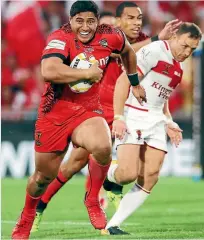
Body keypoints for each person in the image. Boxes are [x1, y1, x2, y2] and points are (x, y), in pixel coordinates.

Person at [31, 1, 181, 233]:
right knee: (74, 164)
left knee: (136, 166)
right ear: (118, 22)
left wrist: (167, 117)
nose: (136, 22)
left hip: (129, 111)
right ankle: (42, 205)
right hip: (102, 109)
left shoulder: (138, 43)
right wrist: (155, 40)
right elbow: (125, 49)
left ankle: (107, 192)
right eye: (130, 18)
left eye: (139, 18)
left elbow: (155, 79)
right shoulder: (107, 39)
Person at [11, 1, 144, 239]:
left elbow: (128, 52)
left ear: (97, 21)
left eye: (90, 21)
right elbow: (48, 71)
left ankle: (92, 199)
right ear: (70, 21)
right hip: (54, 113)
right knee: (42, 178)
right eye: (79, 21)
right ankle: (26, 217)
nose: (85, 26)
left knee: (103, 146)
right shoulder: (60, 37)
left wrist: (134, 82)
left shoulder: (111, 36)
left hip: (87, 110)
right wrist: (86, 73)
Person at [102, 22, 202, 235]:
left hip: (156, 121)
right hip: (134, 115)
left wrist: (170, 123)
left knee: (151, 175)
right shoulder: (155, 51)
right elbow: (123, 81)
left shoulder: (178, 68)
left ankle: (113, 225)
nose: (187, 52)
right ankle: (107, 177)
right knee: (127, 174)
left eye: (192, 49)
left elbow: (161, 99)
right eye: (184, 46)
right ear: (174, 37)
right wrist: (119, 117)